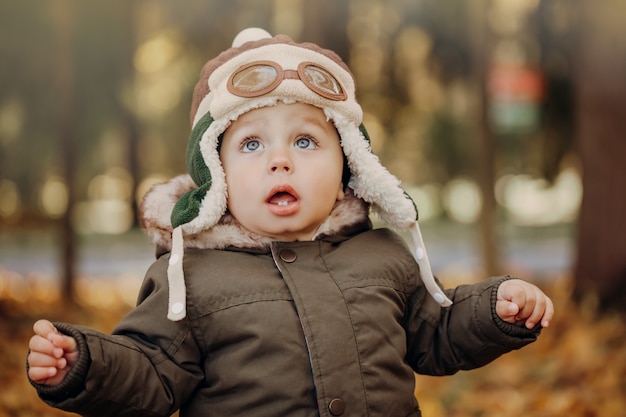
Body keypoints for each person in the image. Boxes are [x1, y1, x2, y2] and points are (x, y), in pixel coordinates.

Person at [27, 28, 554, 417]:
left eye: (305, 141)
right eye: (252, 144)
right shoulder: (189, 277)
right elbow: (153, 372)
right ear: (219, 174)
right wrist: (86, 363)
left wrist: (496, 308)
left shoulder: (384, 256)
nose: (280, 161)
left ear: (349, 165)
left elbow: (436, 334)